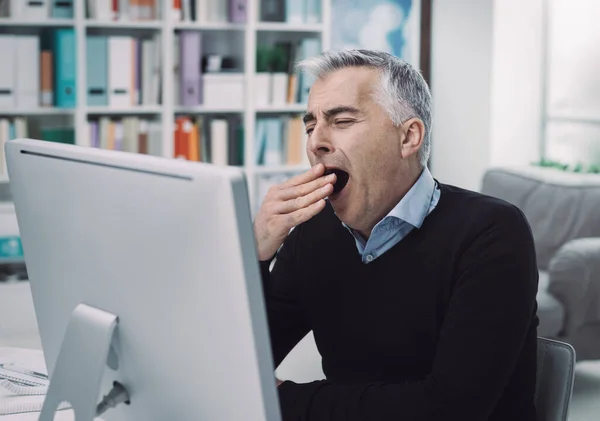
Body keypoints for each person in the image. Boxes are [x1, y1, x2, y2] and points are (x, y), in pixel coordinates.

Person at [253, 49, 539, 421]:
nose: (315, 143)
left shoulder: (493, 234)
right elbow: (241, 364)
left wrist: (285, 402)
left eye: (341, 121)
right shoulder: (314, 233)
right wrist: (256, 253)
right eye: (311, 126)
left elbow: (449, 409)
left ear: (409, 137)